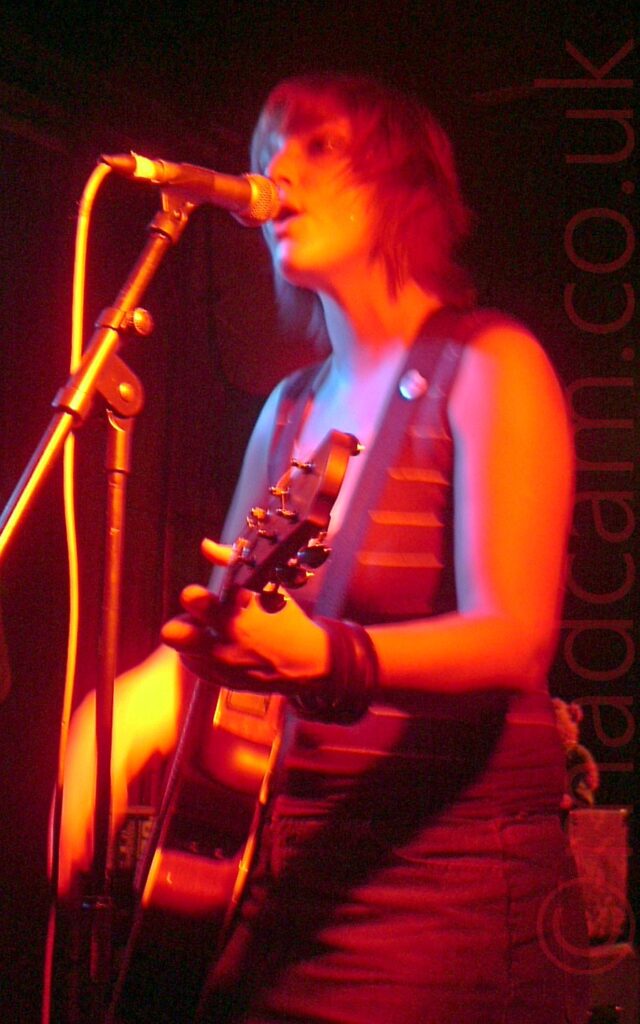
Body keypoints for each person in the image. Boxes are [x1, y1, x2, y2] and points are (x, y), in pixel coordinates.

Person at [58, 75, 589, 1023]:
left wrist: (330, 659)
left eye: (318, 147)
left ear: (406, 186)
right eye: (268, 149)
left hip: (446, 891)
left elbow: (515, 640)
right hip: (283, 884)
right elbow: (229, 642)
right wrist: (128, 704)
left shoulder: (490, 364)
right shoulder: (290, 407)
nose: (278, 170)